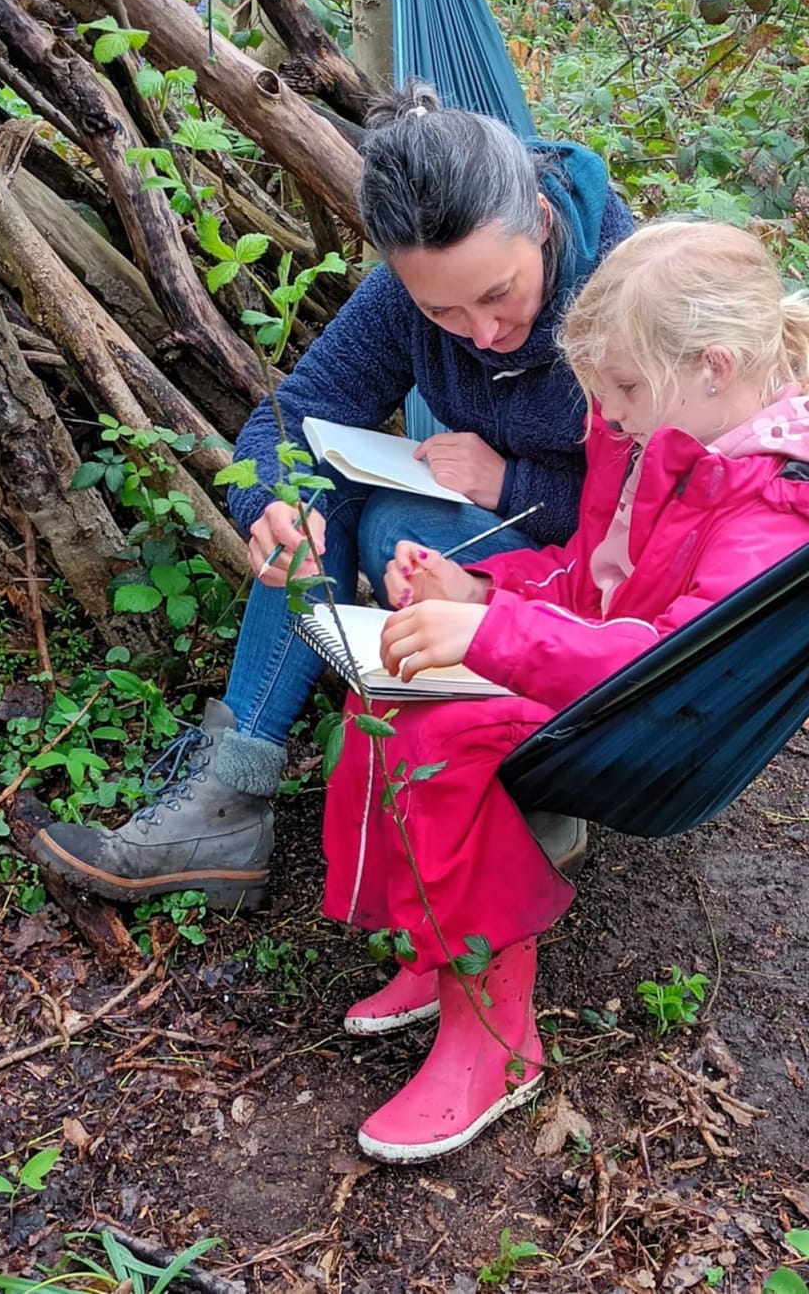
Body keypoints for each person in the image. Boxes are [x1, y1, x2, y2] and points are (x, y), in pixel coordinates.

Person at [321, 220, 809, 1163]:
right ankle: (435, 947)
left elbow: (676, 659)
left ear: (712, 365)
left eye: (621, 387)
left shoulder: (776, 499)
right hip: (595, 670)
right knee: (387, 688)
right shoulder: (653, 436)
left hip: (656, 716)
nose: (607, 413)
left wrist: (494, 638)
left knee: (439, 735)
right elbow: (593, 579)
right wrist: (483, 591)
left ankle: (495, 1043)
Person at [31, 83, 634, 908]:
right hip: (489, 567)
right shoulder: (403, 300)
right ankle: (230, 801)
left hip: (597, 606)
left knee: (393, 521)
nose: (482, 333)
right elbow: (293, 416)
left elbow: (665, 511)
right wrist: (271, 506)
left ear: (538, 216)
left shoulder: (626, 289)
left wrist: (510, 481)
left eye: (498, 295)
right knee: (326, 492)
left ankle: (529, 786)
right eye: (443, 311)